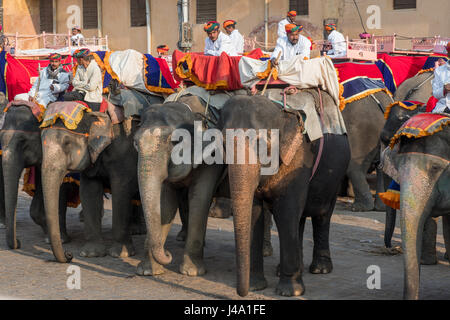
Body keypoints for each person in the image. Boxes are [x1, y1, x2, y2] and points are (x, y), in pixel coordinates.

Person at [431, 42, 450, 113]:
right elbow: (435, 93)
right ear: (448, 55)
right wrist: (444, 90)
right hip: (443, 108)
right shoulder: (439, 70)